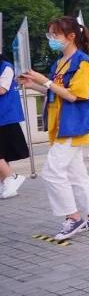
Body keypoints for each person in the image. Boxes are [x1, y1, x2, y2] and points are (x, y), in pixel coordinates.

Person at [17, 16, 89, 240]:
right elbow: (55, 93)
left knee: (52, 172)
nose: (51, 38)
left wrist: (45, 81)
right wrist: (34, 84)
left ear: (71, 36)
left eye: (55, 34)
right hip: (60, 124)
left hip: (72, 125)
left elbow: (74, 96)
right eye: (50, 34)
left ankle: (73, 218)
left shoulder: (83, 63)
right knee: (77, 173)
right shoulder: (60, 63)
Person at [0, 56, 30, 199]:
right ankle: (6, 182)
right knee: (3, 154)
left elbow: (2, 89)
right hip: (3, 118)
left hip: (6, 116)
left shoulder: (6, 67)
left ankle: (12, 177)